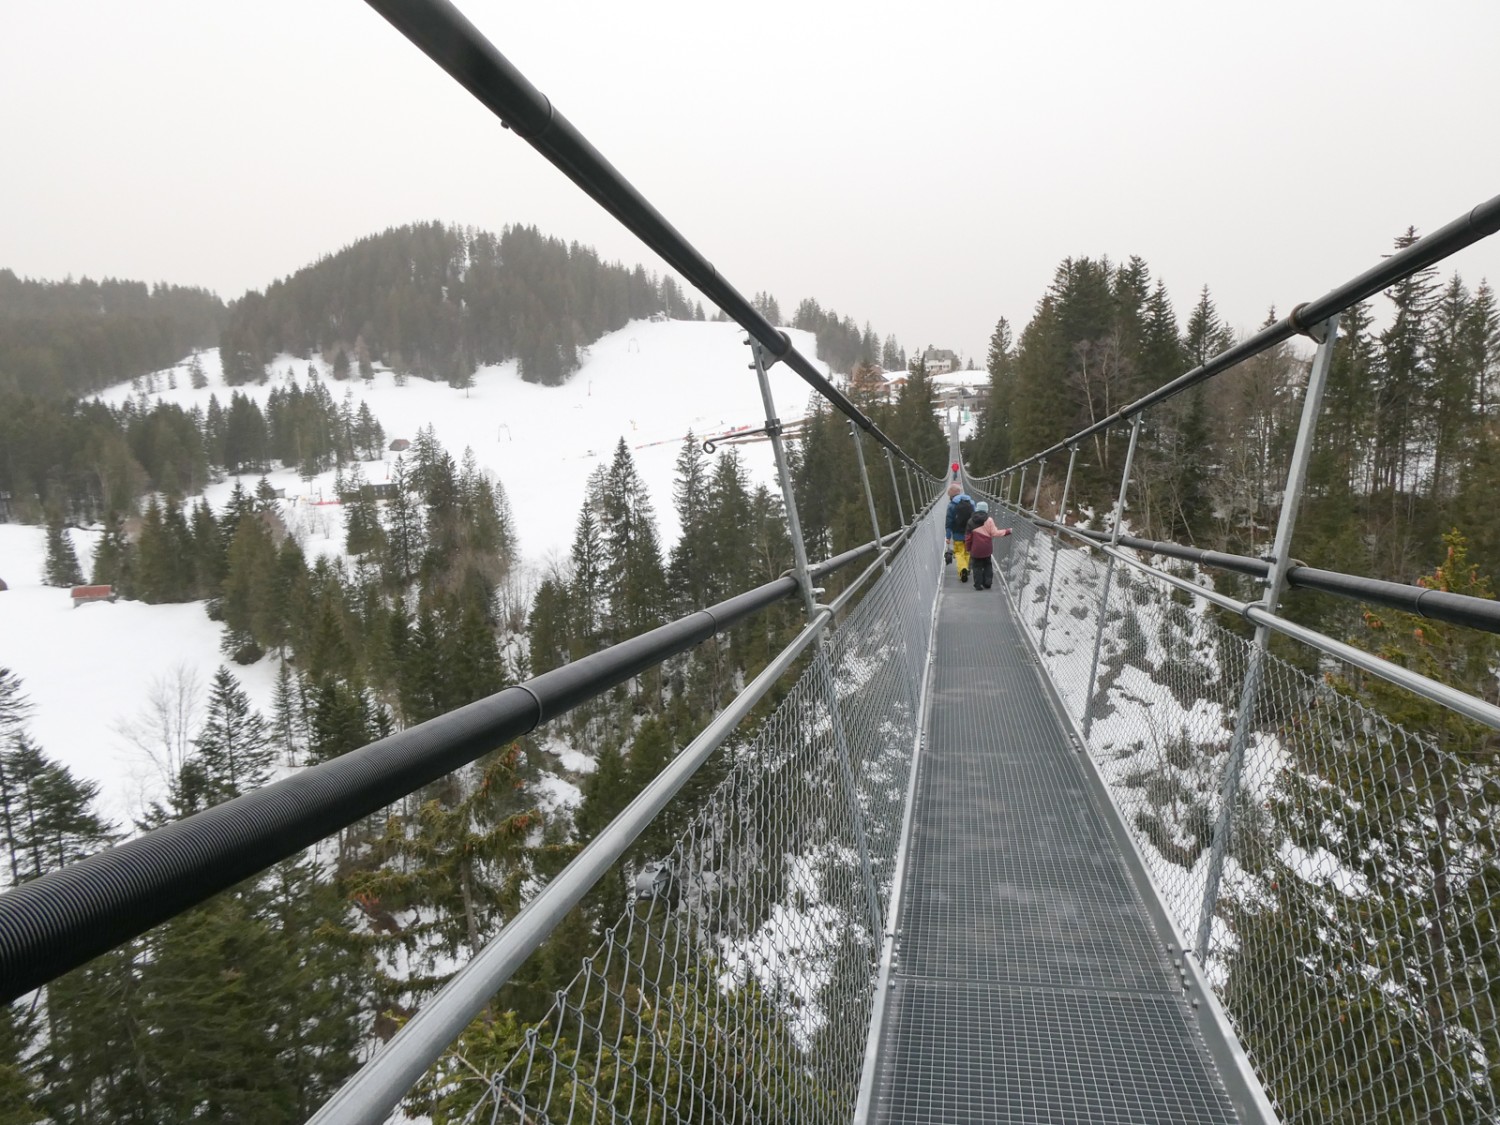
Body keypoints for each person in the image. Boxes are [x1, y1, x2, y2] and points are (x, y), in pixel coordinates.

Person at [964, 501, 1011, 591]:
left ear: (976, 509)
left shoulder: (970, 521)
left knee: (977, 566)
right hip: (987, 548)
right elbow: (995, 533)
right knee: (987, 565)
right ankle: (988, 583)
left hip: (975, 549)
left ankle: (978, 585)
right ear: (986, 510)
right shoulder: (989, 520)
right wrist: (1007, 531)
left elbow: (968, 537)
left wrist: (968, 548)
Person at [945, 485, 975, 582]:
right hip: (970, 533)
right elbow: (975, 518)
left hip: (957, 534)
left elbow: (949, 523)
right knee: (967, 552)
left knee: (958, 553)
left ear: (951, 495)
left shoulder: (951, 505)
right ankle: (966, 568)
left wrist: (948, 536)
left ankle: (962, 569)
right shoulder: (971, 502)